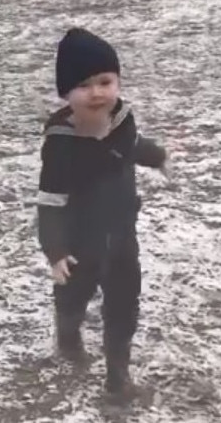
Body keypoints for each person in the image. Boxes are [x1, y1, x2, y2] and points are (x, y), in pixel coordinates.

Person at [36, 27, 168, 403]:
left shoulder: (123, 117)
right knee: (72, 298)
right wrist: (55, 250)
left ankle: (117, 378)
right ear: (66, 93)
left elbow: (130, 146)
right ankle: (68, 333)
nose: (97, 92)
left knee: (124, 304)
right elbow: (50, 199)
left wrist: (155, 155)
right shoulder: (61, 143)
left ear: (117, 81)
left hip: (123, 237)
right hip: (79, 243)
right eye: (83, 85)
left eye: (105, 81)